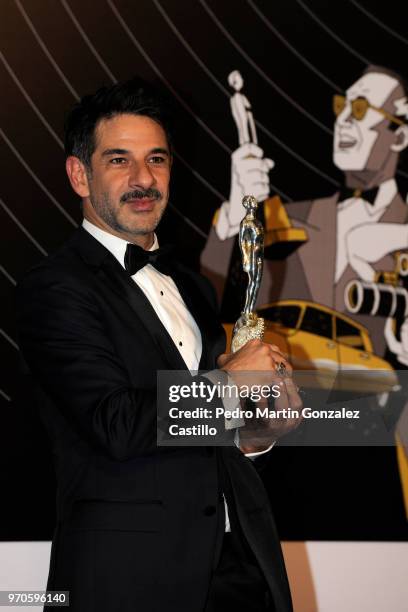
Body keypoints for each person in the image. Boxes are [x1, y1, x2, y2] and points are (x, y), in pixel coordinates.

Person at [17, 77, 302, 612]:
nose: (144, 178)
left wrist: (256, 435)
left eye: (158, 159)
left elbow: (204, 434)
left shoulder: (193, 285)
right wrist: (227, 385)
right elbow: (117, 424)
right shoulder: (54, 289)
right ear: (80, 175)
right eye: (119, 160)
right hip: (129, 582)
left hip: (237, 571)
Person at [201, 64, 408, 358]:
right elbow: (210, 302)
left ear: (399, 136)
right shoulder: (288, 219)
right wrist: (236, 212)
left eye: (360, 108)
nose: (344, 120)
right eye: (342, 106)